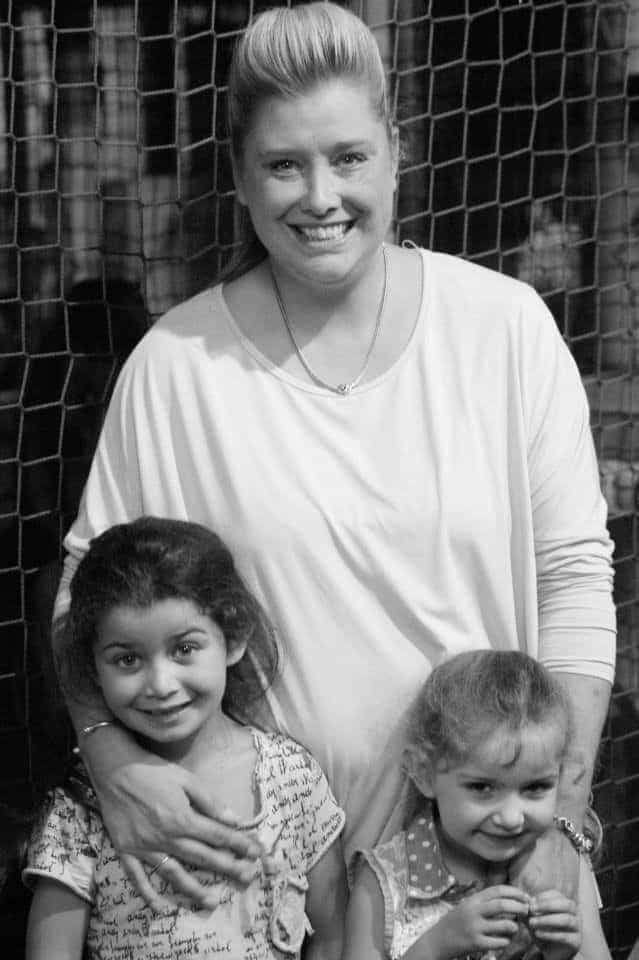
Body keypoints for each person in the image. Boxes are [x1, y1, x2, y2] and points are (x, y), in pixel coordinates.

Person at [51, 0, 614, 935]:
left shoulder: (506, 327)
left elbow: (574, 580)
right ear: (240, 175)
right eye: (284, 164)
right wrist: (112, 762)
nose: (321, 196)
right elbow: (84, 596)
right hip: (269, 893)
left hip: (495, 879)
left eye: (348, 157)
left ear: (396, 153)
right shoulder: (176, 365)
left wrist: (558, 819)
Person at [26, 517, 346, 960]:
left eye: (184, 649)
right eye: (127, 659)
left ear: (233, 638)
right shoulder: (80, 806)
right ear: (92, 668)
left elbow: (333, 936)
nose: (160, 684)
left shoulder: (293, 777)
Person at [343, 650, 609, 960]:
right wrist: (435, 945)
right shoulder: (385, 882)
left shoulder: (561, 866)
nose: (511, 817)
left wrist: (562, 955)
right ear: (424, 773)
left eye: (535, 787)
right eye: (482, 788)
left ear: (561, 777)